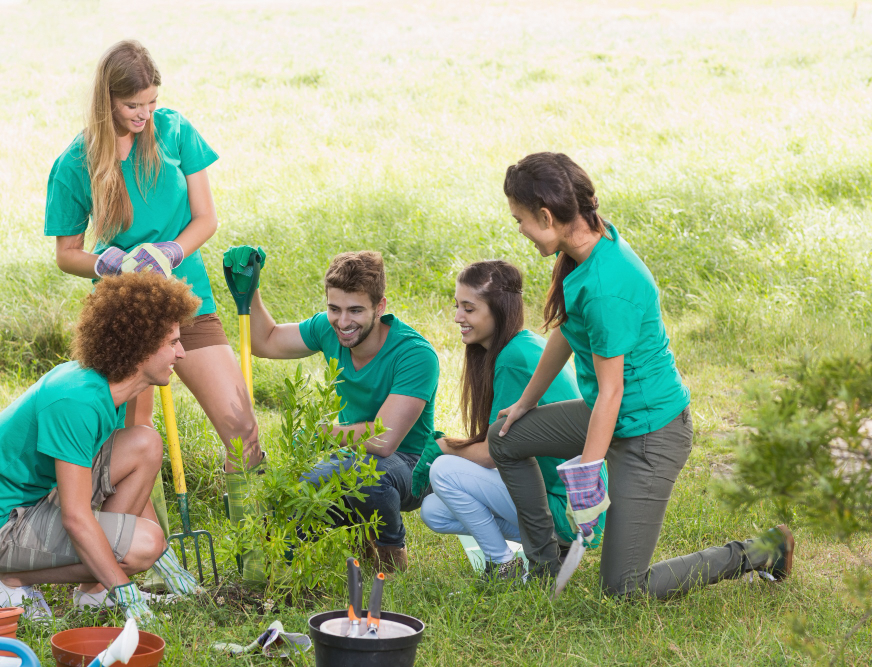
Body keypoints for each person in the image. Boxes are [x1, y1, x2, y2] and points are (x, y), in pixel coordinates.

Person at [490, 152, 794, 597]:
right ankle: (542, 563)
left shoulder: (608, 285)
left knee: (624, 588)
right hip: (608, 414)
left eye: (520, 220)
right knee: (504, 437)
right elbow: (569, 330)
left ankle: (764, 550)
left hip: (651, 431)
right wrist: (525, 402)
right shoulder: (586, 244)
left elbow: (612, 392)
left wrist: (588, 481)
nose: (518, 229)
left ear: (546, 215)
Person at [43, 41, 263, 490]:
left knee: (243, 433)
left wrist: (172, 252)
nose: (145, 115)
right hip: (127, 313)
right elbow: (67, 253)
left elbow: (206, 219)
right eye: (132, 105)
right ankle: (138, 547)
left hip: (187, 297)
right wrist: (107, 265)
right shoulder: (74, 163)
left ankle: (254, 547)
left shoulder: (174, 132)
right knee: (132, 440)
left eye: (152, 102)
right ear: (106, 101)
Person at [0, 273, 203, 621]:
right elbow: (75, 516)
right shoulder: (78, 401)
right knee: (143, 545)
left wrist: (167, 559)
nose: (182, 352)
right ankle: (9, 579)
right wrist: (128, 590)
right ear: (141, 345)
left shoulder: (108, 388)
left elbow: (130, 484)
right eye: (173, 342)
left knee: (145, 444)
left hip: (35, 501)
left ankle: (94, 594)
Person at [245, 250, 440, 572]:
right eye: (334, 309)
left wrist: (318, 434)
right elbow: (265, 342)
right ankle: (333, 555)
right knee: (296, 493)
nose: (343, 322)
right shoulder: (328, 329)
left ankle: (392, 555)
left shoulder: (415, 355)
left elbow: (383, 440)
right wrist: (250, 290)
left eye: (355, 310)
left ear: (380, 307)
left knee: (366, 476)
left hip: (411, 464)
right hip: (350, 454)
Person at [414, 260, 606, 582]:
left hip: (565, 508)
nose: (458, 317)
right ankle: (536, 553)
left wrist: (443, 446)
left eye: (469, 308)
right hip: (561, 502)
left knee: (443, 470)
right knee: (435, 511)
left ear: (498, 310)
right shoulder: (522, 345)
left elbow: (492, 453)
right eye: (457, 306)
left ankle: (504, 565)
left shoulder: (513, 360)